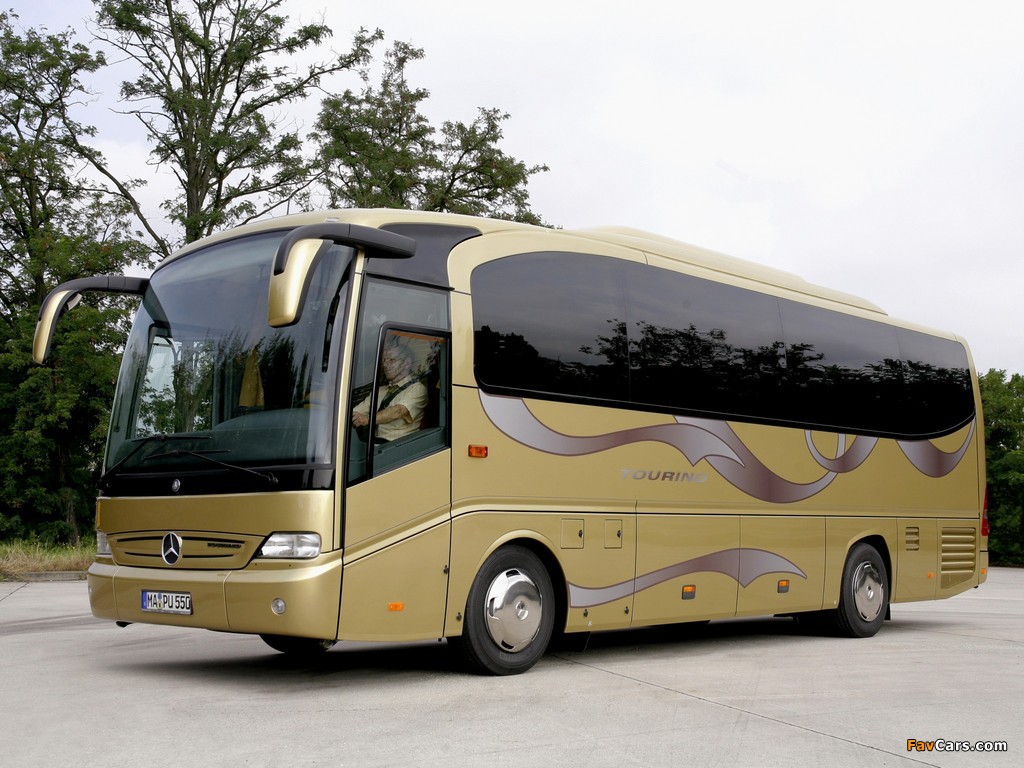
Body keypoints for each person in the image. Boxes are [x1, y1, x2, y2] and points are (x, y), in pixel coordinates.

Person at [350, 341, 428, 441]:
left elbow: (398, 411)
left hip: (398, 446)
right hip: (374, 445)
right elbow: (357, 411)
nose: (385, 365)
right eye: (384, 360)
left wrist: (367, 419)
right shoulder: (380, 391)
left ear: (406, 363)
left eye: (392, 360)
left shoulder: (417, 389)